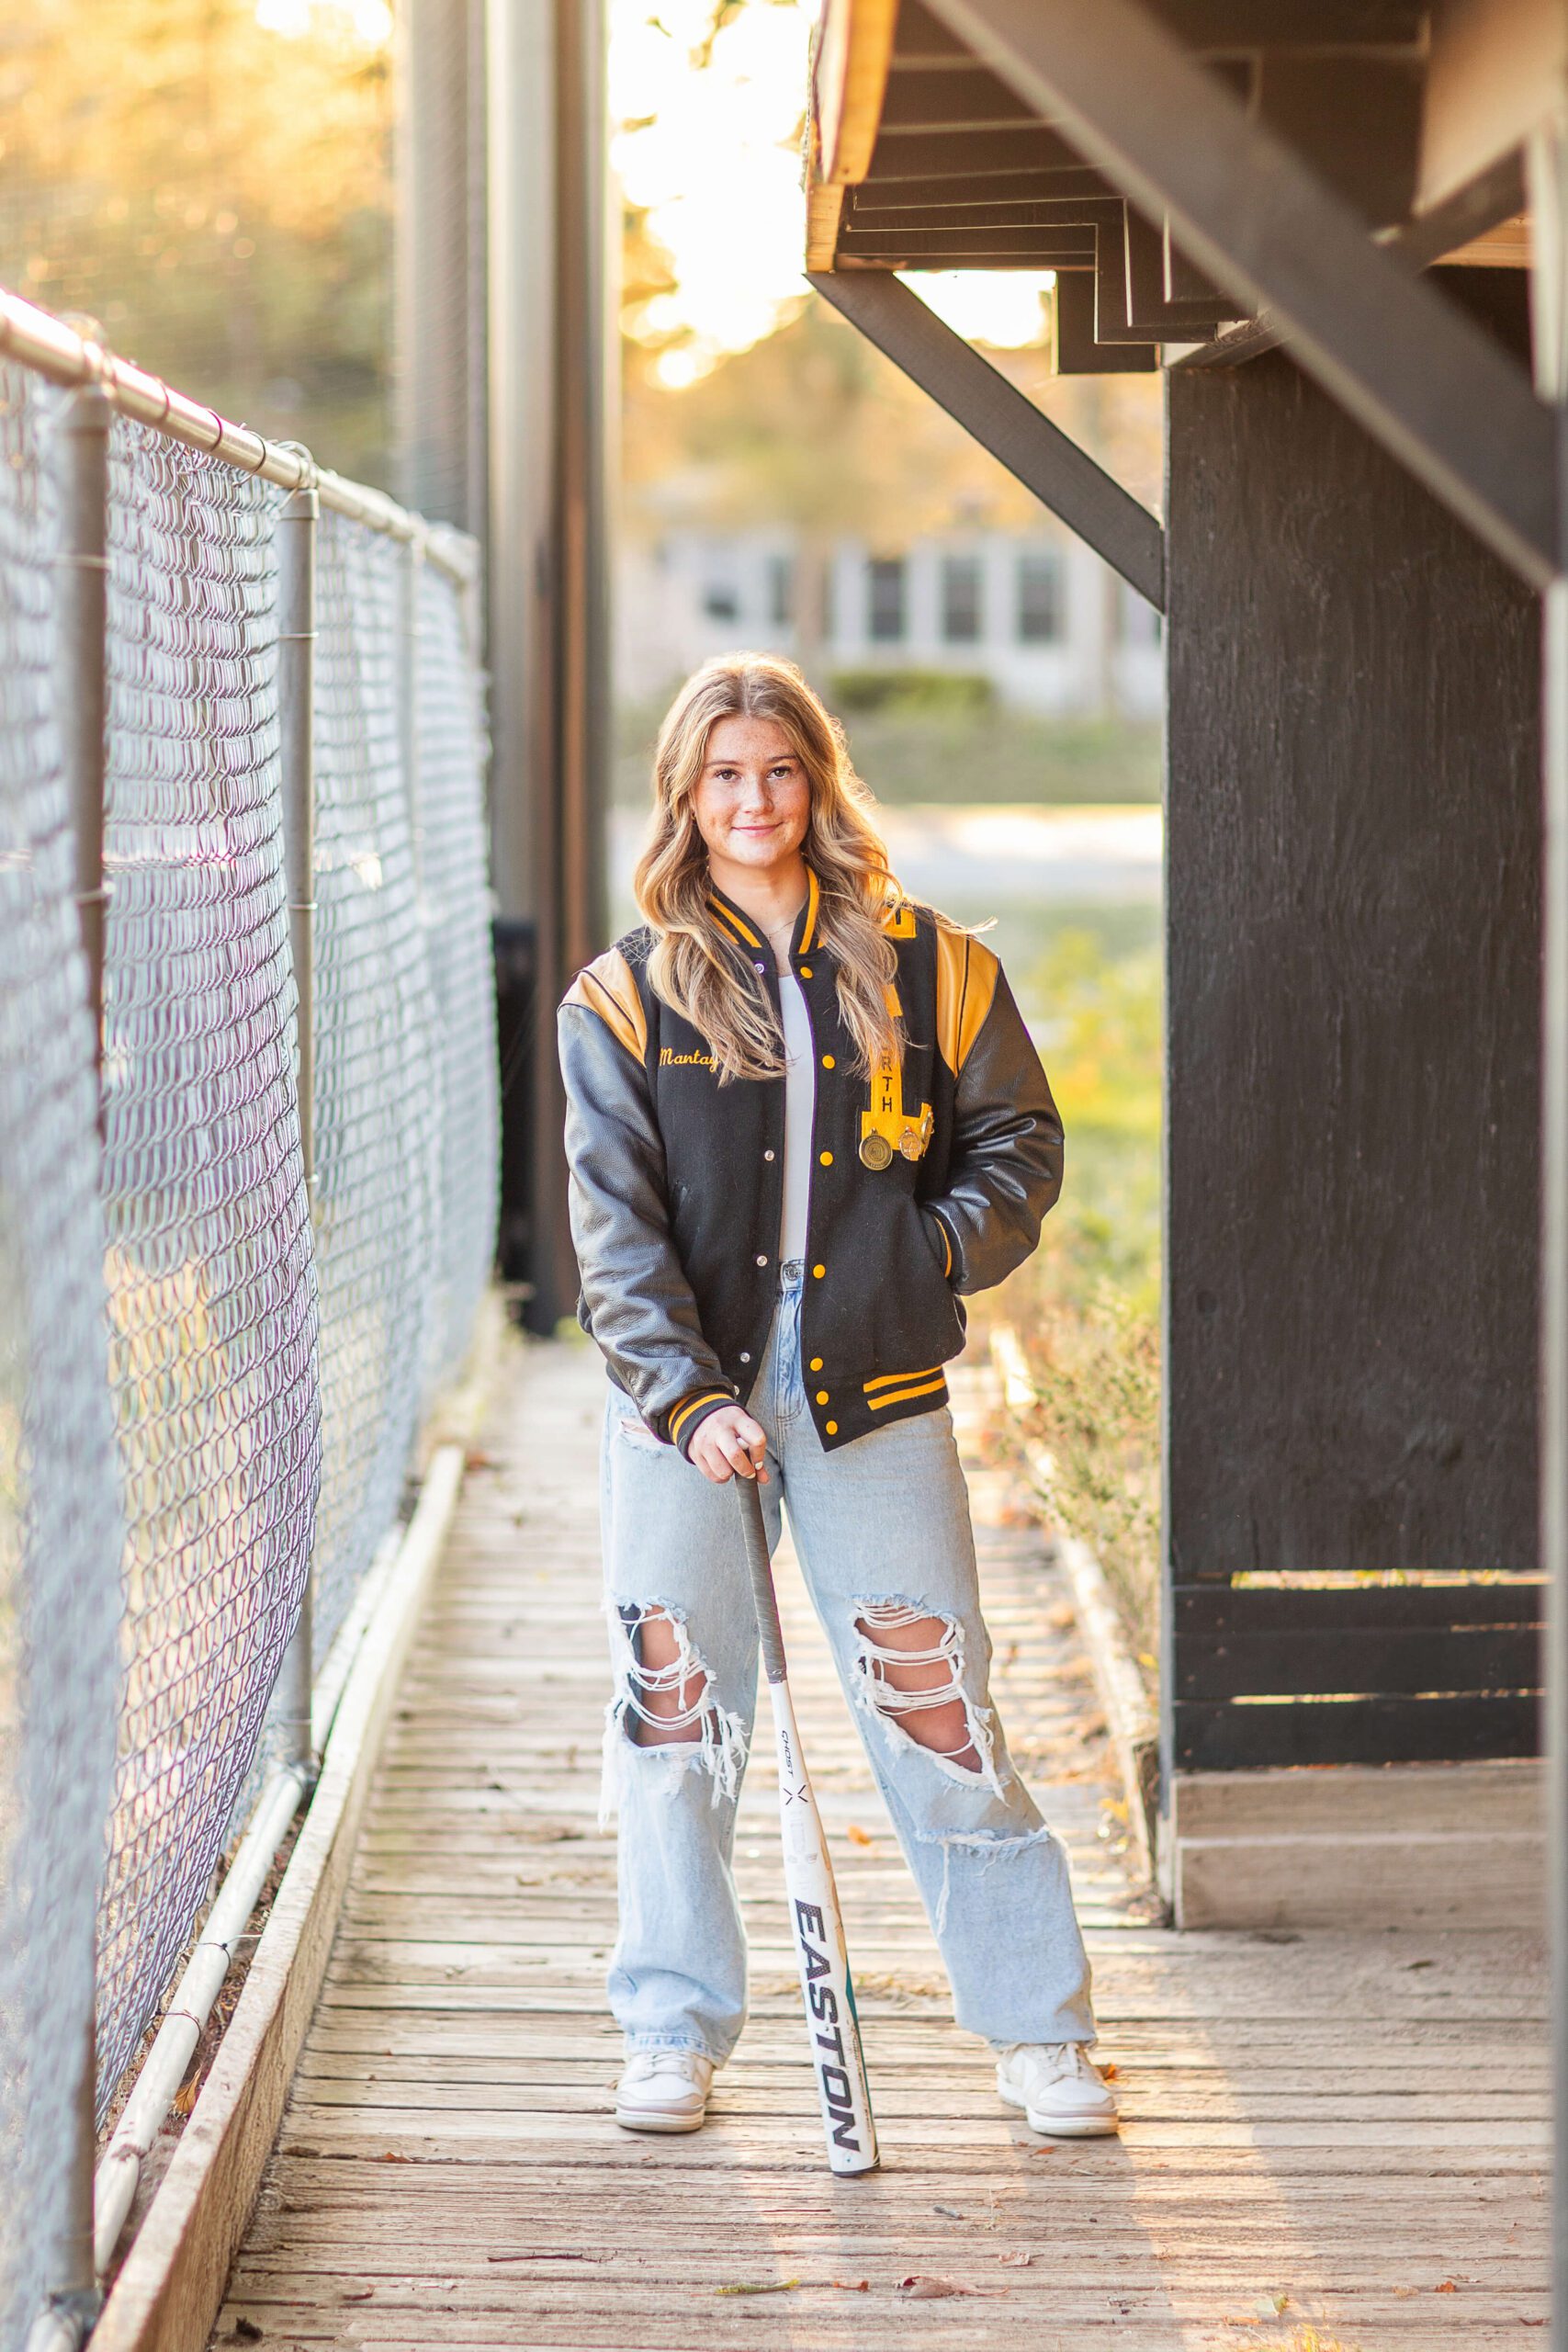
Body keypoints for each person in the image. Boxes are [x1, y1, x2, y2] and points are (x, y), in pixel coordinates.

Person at [558, 651, 1115, 2144]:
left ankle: (1037, 2035)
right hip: (691, 1412)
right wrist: (686, 1401)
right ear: (686, 792)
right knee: (675, 1722)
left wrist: (922, 1261)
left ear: (817, 783)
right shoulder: (622, 995)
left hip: (872, 1391)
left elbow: (1020, 1145)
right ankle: (671, 2023)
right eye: (725, 774)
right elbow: (613, 1234)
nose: (755, 800)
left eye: (780, 771)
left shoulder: (925, 963)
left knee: (942, 1716)